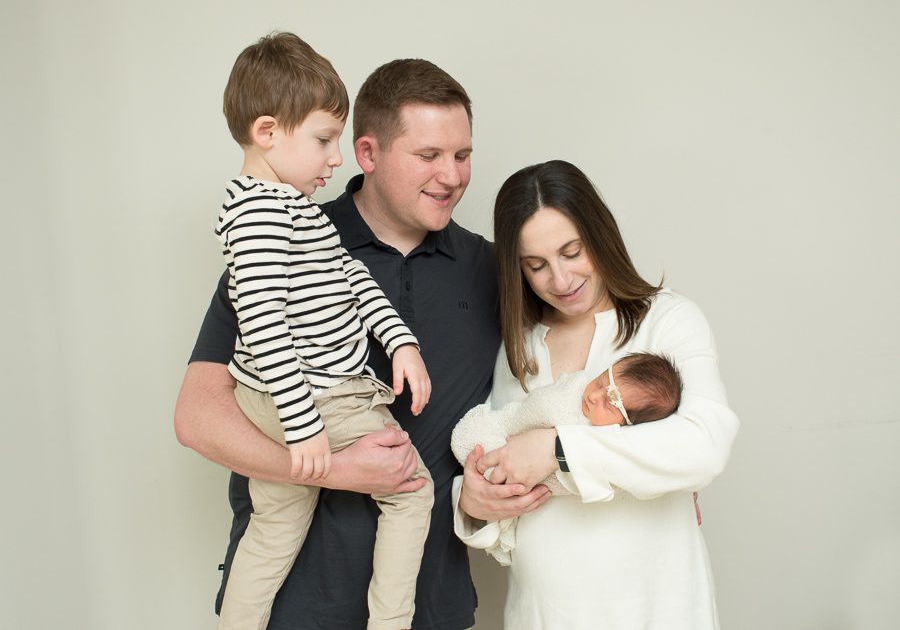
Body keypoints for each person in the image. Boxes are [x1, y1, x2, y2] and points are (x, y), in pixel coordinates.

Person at [175, 55, 512, 630]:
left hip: (432, 609)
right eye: (428, 155)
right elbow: (197, 418)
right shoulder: (286, 241)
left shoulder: (491, 269)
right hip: (296, 610)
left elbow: (546, 388)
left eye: (462, 155)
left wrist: (495, 486)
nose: (452, 176)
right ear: (368, 154)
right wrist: (329, 468)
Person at [453, 160, 740, 629]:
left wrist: (556, 450)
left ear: (600, 236)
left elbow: (704, 445)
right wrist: (471, 503)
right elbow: (488, 446)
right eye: (536, 265)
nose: (561, 280)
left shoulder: (666, 320)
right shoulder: (515, 348)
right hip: (543, 614)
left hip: (656, 610)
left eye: (572, 252)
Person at [214, 32, 435, 630]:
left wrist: (400, 341)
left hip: (285, 394)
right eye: (323, 140)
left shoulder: (292, 208)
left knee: (274, 529)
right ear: (268, 132)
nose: (335, 158)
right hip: (314, 393)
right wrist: (304, 424)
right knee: (412, 491)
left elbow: (352, 275)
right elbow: (262, 325)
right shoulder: (261, 217)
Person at [451, 352, 681, 564]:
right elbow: (526, 412)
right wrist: (471, 500)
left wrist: (556, 447)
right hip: (498, 437)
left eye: (608, 404)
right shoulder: (516, 354)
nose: (594, 396)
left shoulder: (612, 449)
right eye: (600, 382)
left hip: (590, 560)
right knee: (472, 439)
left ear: (626, 426)